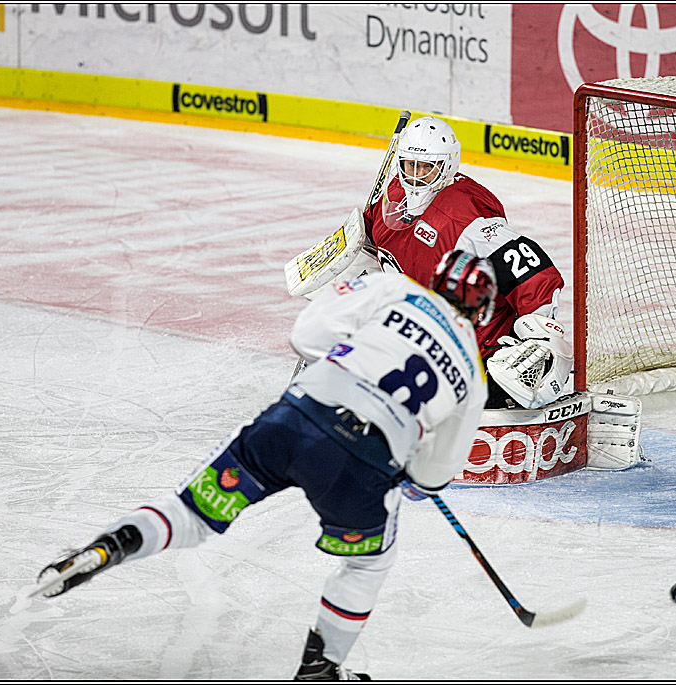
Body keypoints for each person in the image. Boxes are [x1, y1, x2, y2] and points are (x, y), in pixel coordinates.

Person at [34, 250, 498, 681]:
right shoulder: (472, 375)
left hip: (294, 420)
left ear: (436, 279)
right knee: (368, 564)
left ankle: (110, 546)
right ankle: (320, 669)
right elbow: (435, 474)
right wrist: (412, 476)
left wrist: (346, 368)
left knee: (191, 514)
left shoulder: (393, 288)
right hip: (362, 463)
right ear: (481, 311)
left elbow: (305, 336)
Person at [364, 116, 572, 410]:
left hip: (477, 349)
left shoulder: (466, 216)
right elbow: (371, 236)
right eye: (410, 164)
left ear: (447, 166)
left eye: (426, 167)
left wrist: (538, 337)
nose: (415, 175)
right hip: (421, 334)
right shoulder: (394, 197)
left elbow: (535, 274)